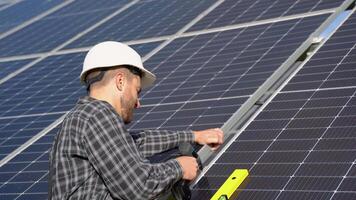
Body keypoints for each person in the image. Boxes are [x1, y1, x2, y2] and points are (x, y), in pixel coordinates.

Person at [49, 41, 224, 200]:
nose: (138, 103)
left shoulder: (85, 117)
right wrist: (179, 167)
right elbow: (138, 187)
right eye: (137, 91)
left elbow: (138, 143)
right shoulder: (97, 115)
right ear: (120, 81)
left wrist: (194, 136)